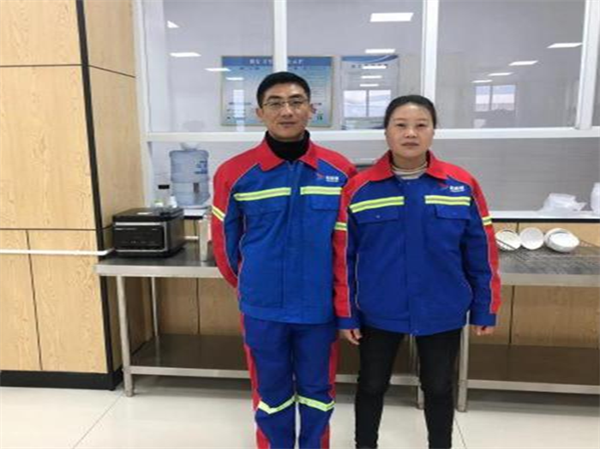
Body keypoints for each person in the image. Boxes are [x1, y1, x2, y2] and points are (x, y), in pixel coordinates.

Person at [333, 95, 501, 449]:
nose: (411, 133)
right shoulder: (359, 189)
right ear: (387, 132)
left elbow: (481, 251)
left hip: (442, 308)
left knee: (438, 386)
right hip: (378, 309)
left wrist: (485, 307)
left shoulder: (461, 184)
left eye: (421, 125)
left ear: (433, 131)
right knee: (371, 384)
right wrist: (347, 314)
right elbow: (343, 257)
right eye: (401, 125)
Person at [211, 72, 356, 449]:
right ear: (260, 112)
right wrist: (252, 286)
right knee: (270, 394)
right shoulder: (234, 174)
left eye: (296, 101)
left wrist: (343, 301)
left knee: (317, 392)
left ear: (312, 109)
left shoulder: (340, 171)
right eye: (275, 103)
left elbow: (348, 248)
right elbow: (224, 246)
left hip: (319, 308)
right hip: (263, 309)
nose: (286, 111)